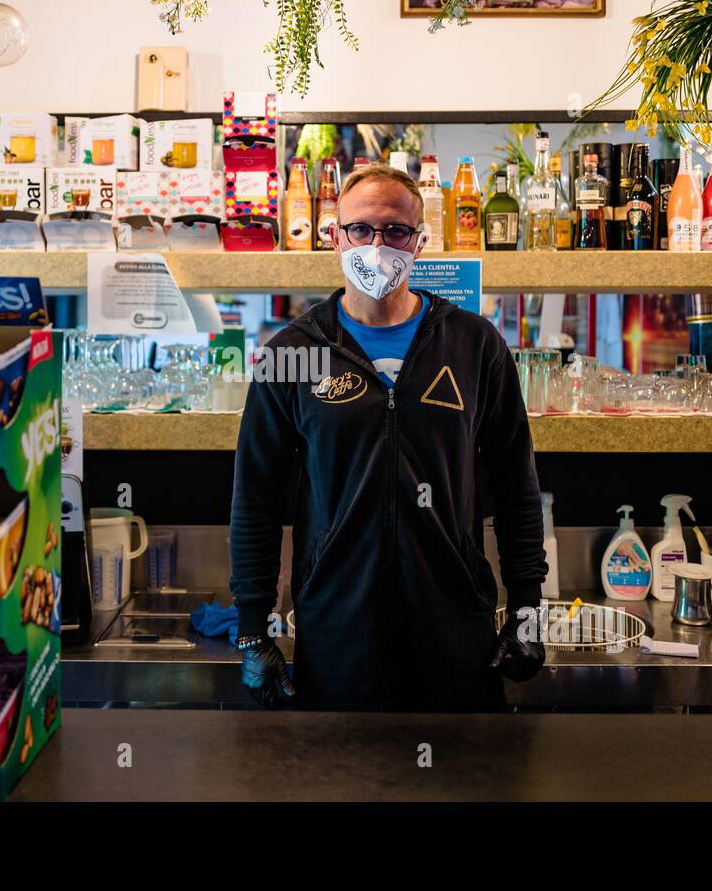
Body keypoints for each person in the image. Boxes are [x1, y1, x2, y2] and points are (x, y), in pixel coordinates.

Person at [229, 163, 548, 711]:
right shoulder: (291, 354)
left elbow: (517, 486)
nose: (378, 245)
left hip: (455, 628)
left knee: (466, 785)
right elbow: (254, 500)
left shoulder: (474, 345)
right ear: (334, 238)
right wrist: (253, 629)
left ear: (420, 243)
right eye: (361, 230)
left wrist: (527, 608)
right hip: (337, 628)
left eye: (396, 231)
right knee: (344, 788)